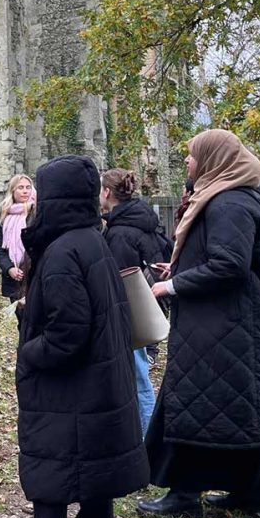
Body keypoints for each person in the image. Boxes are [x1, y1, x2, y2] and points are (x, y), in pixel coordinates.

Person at [0, 156, 148, 518]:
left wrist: (31, 352)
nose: (35, 201)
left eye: (42, 192)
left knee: (55, 473)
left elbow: (68, 333)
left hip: (71, 388)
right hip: (97, 381)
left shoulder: (62, 252)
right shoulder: (90, 240)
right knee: (94, 468)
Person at [141, 130, 260, 518]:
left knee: (196, 403)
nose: (188, 162)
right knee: (238, 408)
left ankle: (184, 495)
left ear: (213, 160)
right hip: (228, 325)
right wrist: (181, 265)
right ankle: (249, 492)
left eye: (192, 156)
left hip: (225, 327)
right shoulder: (233, 197)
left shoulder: (228, 202)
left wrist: (172, 284)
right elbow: (222, 255)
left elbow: (230, 265)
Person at [100, 168, 169, 433]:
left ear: (107, 192)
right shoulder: (141, 220)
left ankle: (146, 437)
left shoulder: (120, 232)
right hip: (144, 307)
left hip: (132, 311)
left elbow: (120, 276)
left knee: (139, 378)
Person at [0, 174, 35, 303]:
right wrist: (9, 268)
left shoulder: (37, 212)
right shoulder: (4, 215)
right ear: (13, 191)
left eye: (28, 187)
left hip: (34, 273)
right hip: (14, 277)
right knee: (20, 317)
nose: (25, 191)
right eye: (20, 187)